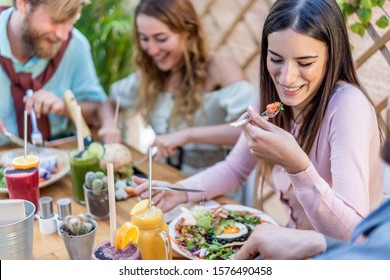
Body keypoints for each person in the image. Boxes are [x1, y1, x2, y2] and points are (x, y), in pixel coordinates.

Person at [134, 0, 383, 241]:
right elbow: (235, 169)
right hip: (289, 243)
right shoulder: (271, 98)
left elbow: (355, 234)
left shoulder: (347, 106)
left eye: (304, 62)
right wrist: (179, 192)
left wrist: (298, 167)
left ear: (333, 56)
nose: (286, 78)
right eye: (276, 59)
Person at [97, 0, 257, 177]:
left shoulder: (219, 67)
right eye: (144, 39)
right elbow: (109, 103)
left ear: (188, 32)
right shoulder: (150, 75)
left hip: (216, 182)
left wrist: (188, 135)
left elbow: (253, 127)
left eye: (161, 38)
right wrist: (109, 125)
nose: (152, 50)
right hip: (164, 177)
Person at [0, 0, 106, 146]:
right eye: (57, 21)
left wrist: (64, 107)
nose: (63, 36)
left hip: (58, 157)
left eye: (71, 23)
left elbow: (97, 111)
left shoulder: (75, 46)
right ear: (23, 3)